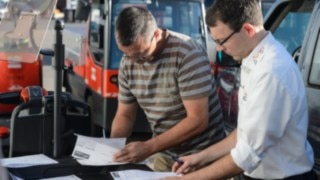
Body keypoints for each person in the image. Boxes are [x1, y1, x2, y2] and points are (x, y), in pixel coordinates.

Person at [166, 0, 316, 179]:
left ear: (248, 30)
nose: (220, 48)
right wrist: (199, 158)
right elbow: (245, 132)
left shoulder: (271, 71)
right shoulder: (251, 56)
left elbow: (247, 155)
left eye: (221, 41)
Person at [111, 6, 225, 172]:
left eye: (141, 55)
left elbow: (198, 120)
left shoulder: (187, 53)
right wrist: (113, 151)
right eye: (127, 54)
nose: (134, 62)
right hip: (164, 155)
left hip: (204, 155)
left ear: (156, 35)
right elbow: (125, 115)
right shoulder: (128, 61)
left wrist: (149, 147)